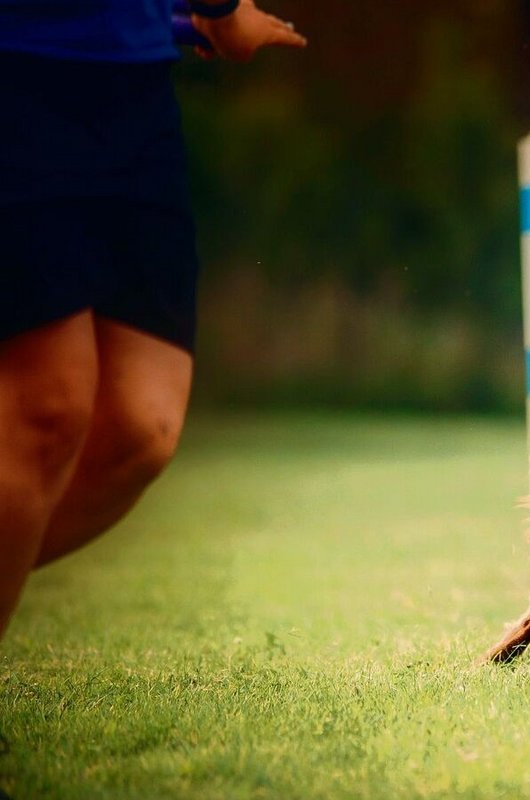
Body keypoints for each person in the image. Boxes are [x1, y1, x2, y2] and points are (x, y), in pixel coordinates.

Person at [0, 0, 306, 639]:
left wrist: (187, 17)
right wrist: (222, 11)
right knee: (49, 404)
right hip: (21, 79)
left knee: (140, 428)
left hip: (134, 93)